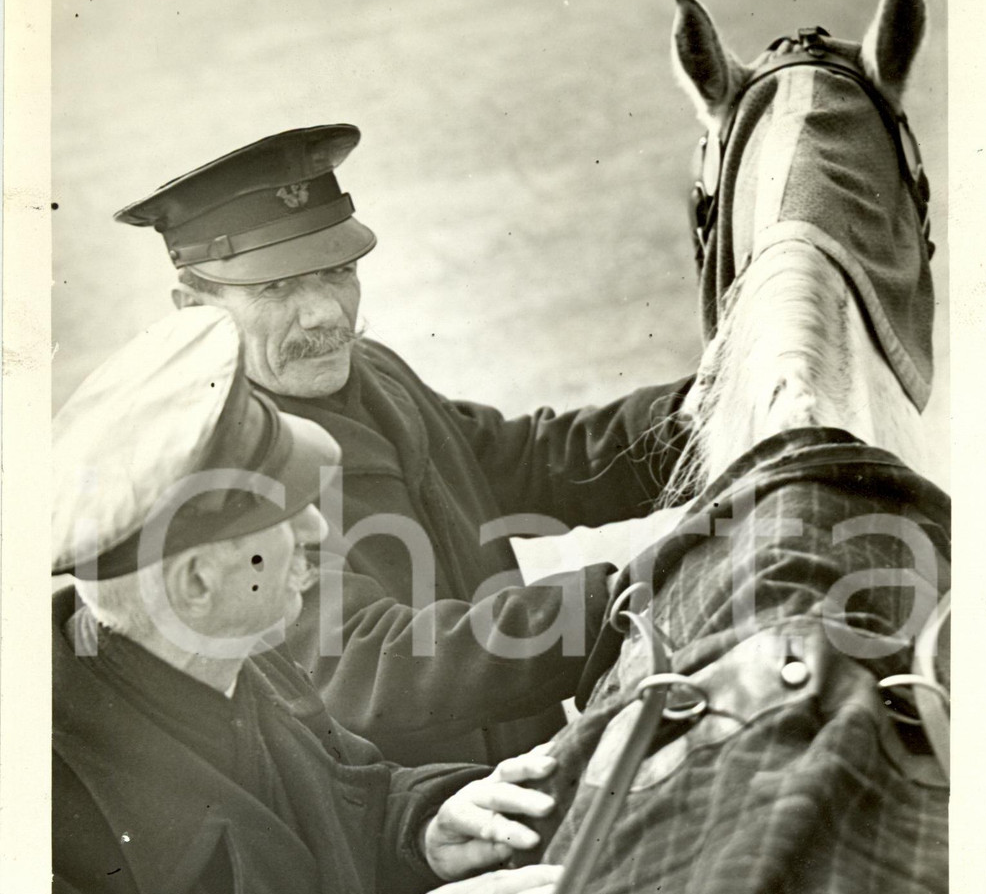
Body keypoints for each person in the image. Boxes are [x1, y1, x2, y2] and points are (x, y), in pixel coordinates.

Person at [52, 306, 564, 894]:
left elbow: (350, 797)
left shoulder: (220, 649)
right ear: (195, 582)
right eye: (286, 518)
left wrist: (426, 827)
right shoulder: (41, 843)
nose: (323, 538)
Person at [114, 125, 695, 765]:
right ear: (192, 308)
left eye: (337, 271)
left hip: (524, 778)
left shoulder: (372, 371)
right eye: (275, 289)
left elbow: (523, 463)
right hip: (415, 835)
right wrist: (622, 602)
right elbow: (365, 663)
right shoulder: (213, 475)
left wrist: (694, 415)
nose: (325, 315)